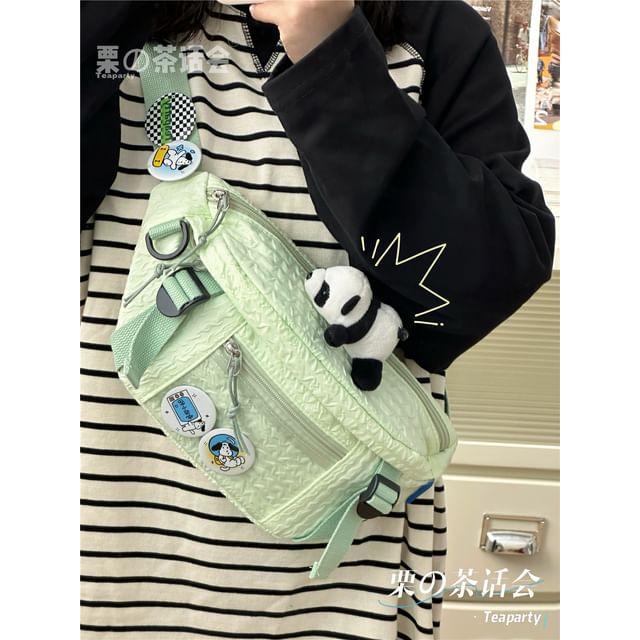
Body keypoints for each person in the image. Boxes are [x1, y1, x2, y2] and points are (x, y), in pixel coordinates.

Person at [80, 2, 555, 638]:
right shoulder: (115, 30)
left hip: (348, 575)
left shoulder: (434, 34)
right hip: (117, 550)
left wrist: (332, 55)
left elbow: (480, 285)